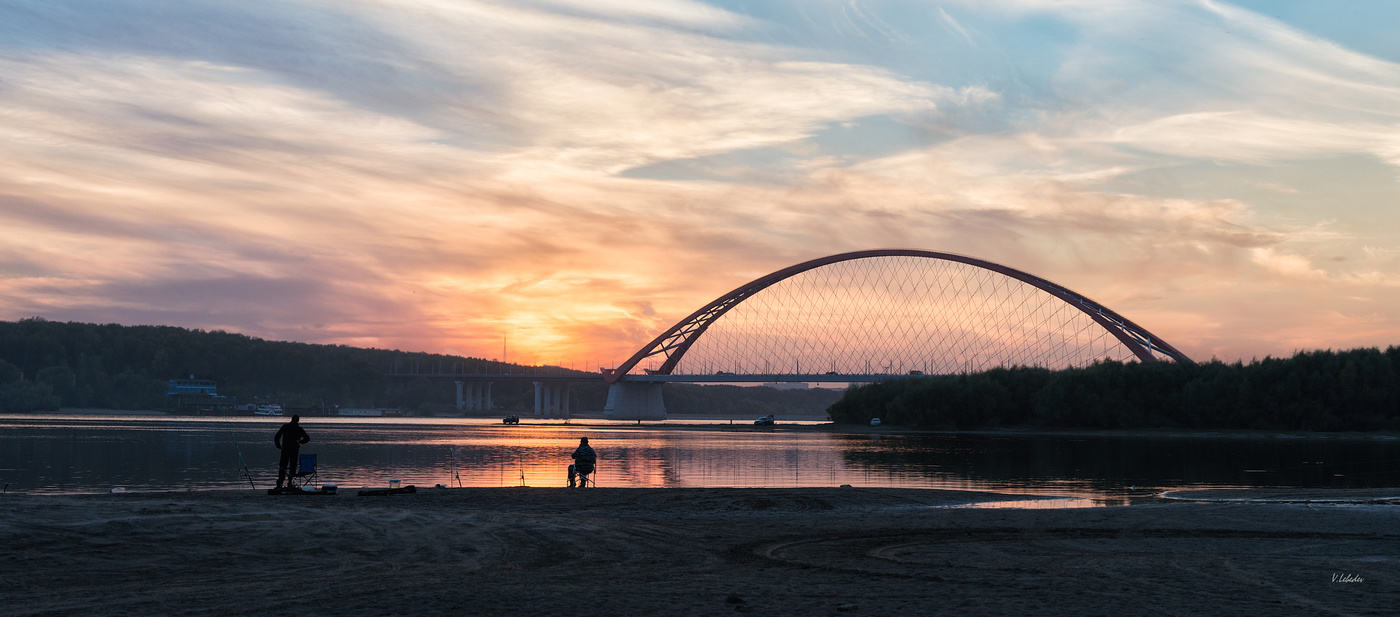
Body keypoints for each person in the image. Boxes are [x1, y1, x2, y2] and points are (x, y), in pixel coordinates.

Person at [274, 415, 311, 489]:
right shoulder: (299, 429)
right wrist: (300, 442)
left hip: (285, 449)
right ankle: (290, 482)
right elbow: (307, 438)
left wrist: (279, 446)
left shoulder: (285, 426)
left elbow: (276, 437)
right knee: (293, 466)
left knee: (282, 466)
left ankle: (280, 483)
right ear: (298, 420)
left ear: (291, 419)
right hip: (294, 449)